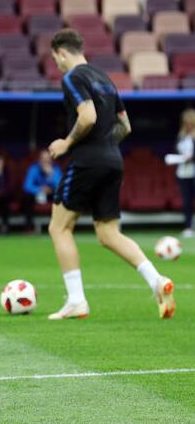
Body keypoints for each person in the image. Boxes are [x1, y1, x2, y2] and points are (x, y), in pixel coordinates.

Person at [47, 28, 175, 320]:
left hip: (87, 161)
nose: (58, 66)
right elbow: (125, 126)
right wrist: (104, 147)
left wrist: (67, 143)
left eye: (56, 60)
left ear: (62, 53)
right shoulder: (105, 78)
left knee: (59, 228)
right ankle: (156, 280)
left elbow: (88, 116)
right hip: (113, 159)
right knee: (108, 233)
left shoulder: (73, 77)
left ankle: (76, 300)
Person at [168, 109, 195, 238]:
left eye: (190, 122)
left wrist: (191, 157)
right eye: (186, 123)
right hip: (183, 173)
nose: (188, 125)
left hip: (193, 171)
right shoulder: (181, 136)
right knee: (187, 201)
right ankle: (188, 227)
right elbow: (176, 150)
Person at [22, 150, 62, 232]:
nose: (45, 161)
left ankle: (57, 227)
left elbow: (60, 186)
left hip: (51, 194)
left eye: (47, 158)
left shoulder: (56, 169)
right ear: (39, 159)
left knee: (60, 197)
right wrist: (40, 189)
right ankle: (29, 227)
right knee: (27, 198)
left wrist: (51, 174)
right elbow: (27, 186)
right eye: (43, 158)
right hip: (36, 194)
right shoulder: (33, 168)